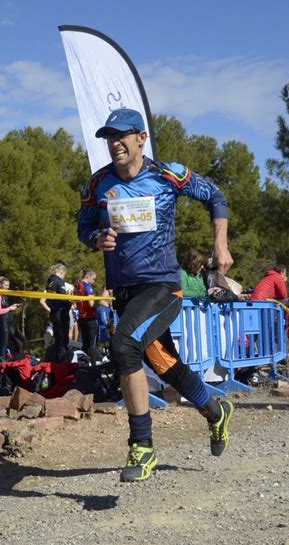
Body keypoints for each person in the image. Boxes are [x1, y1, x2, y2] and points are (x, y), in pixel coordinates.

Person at [78, 108, 234, 482]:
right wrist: (96, 238)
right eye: (109, 137)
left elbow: (216, 195)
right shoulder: (98, 184)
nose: (114, 143)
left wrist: (220, 244)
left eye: (121, 136)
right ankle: (216, 411)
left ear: (140, 138)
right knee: (166, 365)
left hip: (164, 286)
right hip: (125, 291)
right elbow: (84, 226)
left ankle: (143, 445)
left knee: (124, 347)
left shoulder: (168, 175)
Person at [40, 263, 71, 361]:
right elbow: (62, 297)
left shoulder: (49, 281)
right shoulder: (59, 282)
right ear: (61, 271)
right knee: (63, 338)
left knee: (57, 337)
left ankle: (57, 359)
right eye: (64, 274)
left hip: (53, 311)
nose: (64, 276)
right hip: (61, 312)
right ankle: (62, 360)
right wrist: (70, 302)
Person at [0, 277, 25, 359]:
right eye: (5, 285)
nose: (7, 287)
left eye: (8, 285)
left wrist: (14, 307)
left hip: (9, 321)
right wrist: (10, 308)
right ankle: (2, 363)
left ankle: (19, 359)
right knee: (4, 344)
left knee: (18, 342)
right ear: (0, 285)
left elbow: (6, 309)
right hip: (2, 322)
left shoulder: (5, 296)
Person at [75, 268, 98, 360]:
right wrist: (100, 302)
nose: (93, 281)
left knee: (85, 343)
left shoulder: (77, 286)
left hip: (81, 318)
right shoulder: (87, 286)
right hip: (90, 318)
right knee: (93, 343)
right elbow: (91, 304)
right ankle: (94, 365)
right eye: (93, 279)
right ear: (87, 277)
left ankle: (83, 364)